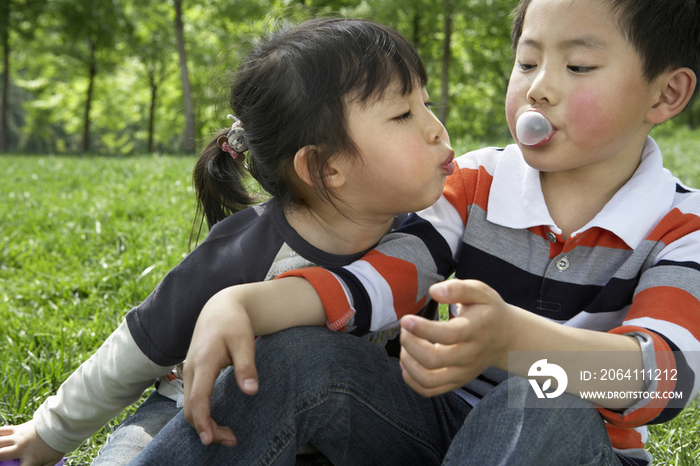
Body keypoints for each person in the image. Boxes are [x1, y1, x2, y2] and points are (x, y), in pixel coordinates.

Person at [129, 0, 700, 464]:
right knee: (297, 355)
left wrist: (513, 343)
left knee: (540, 400)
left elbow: (665, 378)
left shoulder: (681, 227)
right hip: (435, 426)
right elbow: (382, 278)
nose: (539, 89)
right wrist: (246, 303)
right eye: (527, 63)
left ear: (666, 93)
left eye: (577, 67)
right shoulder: (478, 180)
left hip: (573, 446)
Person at [0, 18, 455, 466]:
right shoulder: (245, 250)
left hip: (329, 428)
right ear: (324, 168)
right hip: (192, 412)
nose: (436, 128)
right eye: (403, 114)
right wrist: (48, 433)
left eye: (427, 103)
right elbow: (137, 349)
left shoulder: (424, 236)